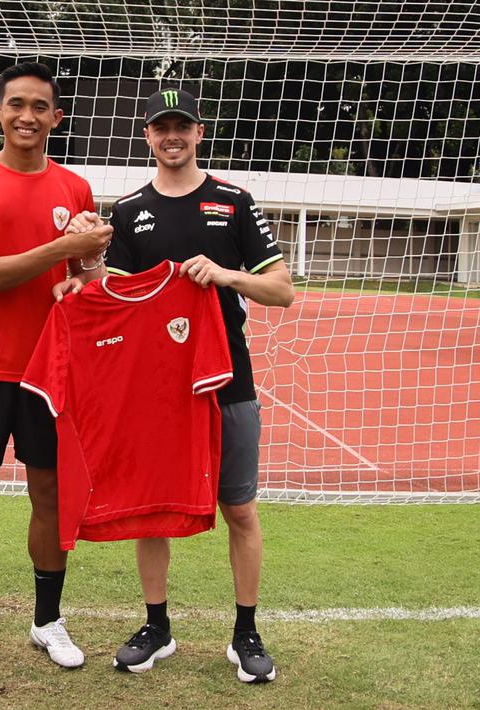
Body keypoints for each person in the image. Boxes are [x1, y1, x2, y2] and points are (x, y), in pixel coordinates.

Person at [59, 88, 294, 680]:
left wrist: (224, 275)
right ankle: (156, 626)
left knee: (239, 508)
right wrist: (78, 271)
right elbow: (109, 290)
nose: (172, 137)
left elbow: (282, 290)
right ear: (147, 136)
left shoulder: (234, 202)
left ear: (199, 132)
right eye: (161, 128)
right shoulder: (131, 208)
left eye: (182, 127)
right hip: (155, 385)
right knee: (151, 507)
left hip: (227, 377)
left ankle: (246, 634)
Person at [0, 61, 112, 673]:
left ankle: (47, 620)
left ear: (56, 117)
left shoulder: (76, 189)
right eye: (16, 104)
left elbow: (84, 281)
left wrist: (83, 280)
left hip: (51, 372)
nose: (27, 116)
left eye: (40, 107)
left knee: (51, 495)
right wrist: (65, 249)